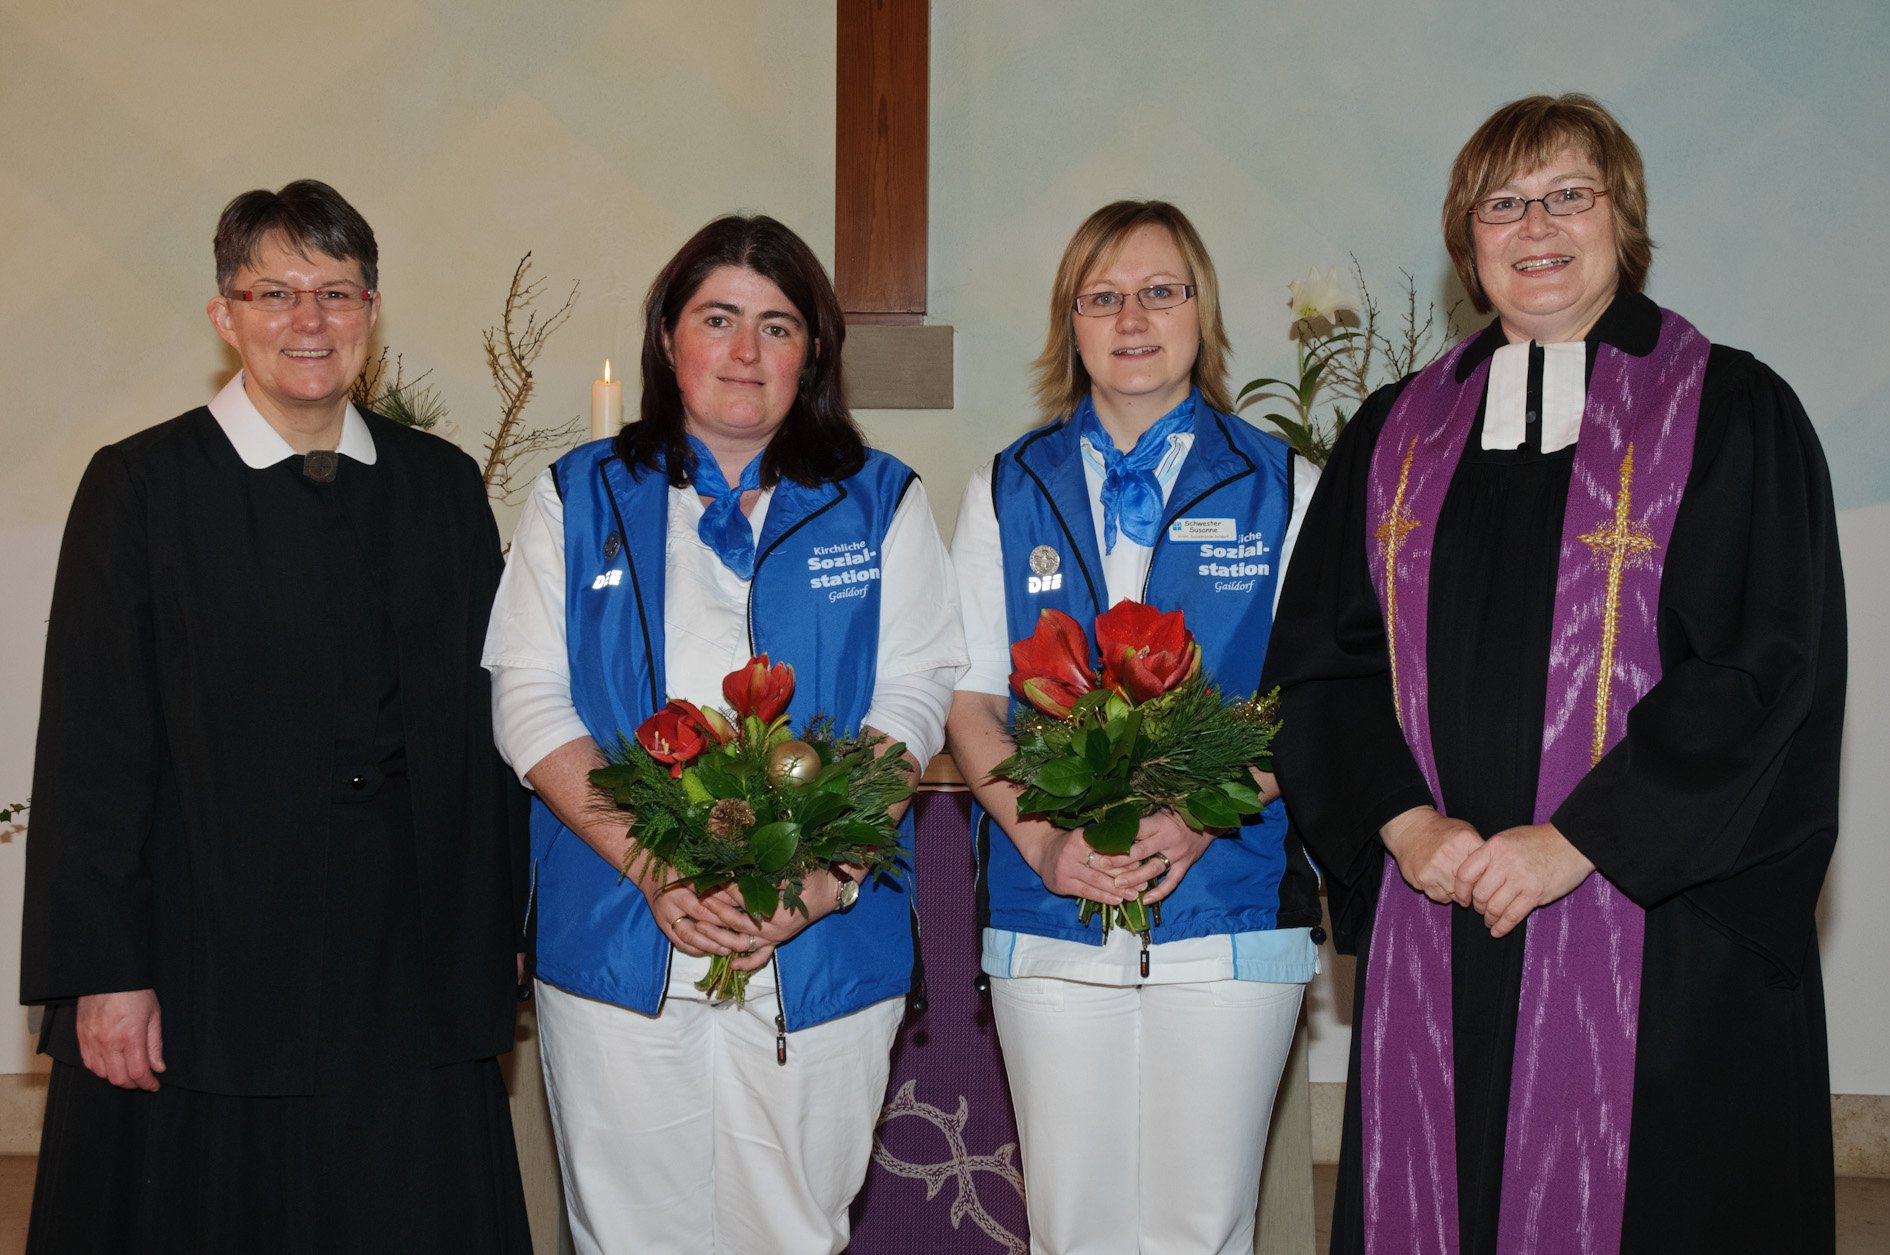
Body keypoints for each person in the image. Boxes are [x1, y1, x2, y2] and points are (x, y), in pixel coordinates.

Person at [1264, 93, 1845, 1254]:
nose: (1536, 226)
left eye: (1568, 195)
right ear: (1466, 240)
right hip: (1445, 908)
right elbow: (1322, 672)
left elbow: (1764, 671)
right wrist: (1406, 827)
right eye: (1502, 203)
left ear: (1622, 219)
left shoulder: (1732, 411)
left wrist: (1576, 839)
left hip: (1656, 927)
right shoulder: (1394, 434)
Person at [20, 180, 532, 1253]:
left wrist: (501, 931)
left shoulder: (438, 487)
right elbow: (91, 749)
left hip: (406, 964)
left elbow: (487, 733)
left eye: (337, 292)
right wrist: (105, 971)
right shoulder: (142, 487)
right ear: (225, 315)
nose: (310, 321)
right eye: (276, 292)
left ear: (372, 312)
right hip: (208, 965)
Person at [482, 213, 965, 1255]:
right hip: (618, 930)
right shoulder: (578, 496)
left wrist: (811, 880)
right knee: (626, 1233)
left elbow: (913, 703)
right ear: (668, 337)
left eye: (779, 325)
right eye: (719, 318)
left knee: (794, 1228)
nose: (746, 352)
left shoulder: (883, 503)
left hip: (824, 937)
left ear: (815, 351)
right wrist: (657, 862)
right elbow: (528, 702)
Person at [946, 200, 1321, 1255]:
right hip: (1048, 905)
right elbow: (972, 700)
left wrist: (1207, 813)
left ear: (1202, 311)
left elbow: (1319, 700)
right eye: (1101, 296)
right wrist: (1041, 840)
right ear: (1070, 324)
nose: (1133, 316)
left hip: (1232, 908)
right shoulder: (1007, 486)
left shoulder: (1287, 486)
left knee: (1204, 1224)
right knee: (1076, 1226)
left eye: (1162, 290)